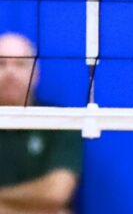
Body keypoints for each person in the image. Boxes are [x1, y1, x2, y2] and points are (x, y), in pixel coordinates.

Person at [0, 33, 81, 214]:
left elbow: (56, 193)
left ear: (35, 73)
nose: (10, 73)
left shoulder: (60, 120)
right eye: (1, 64)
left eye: (19, 64)